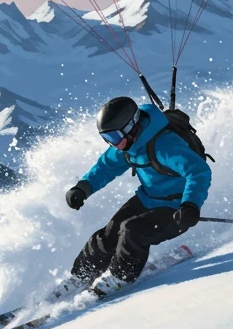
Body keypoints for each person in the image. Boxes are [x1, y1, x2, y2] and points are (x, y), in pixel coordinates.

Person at [63, 96, 212, 297]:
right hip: (148, 198)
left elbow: (198, 171)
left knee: (132, 231)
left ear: (132, 126)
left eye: (114, 137)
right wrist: (83, 188)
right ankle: (82, 274)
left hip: (177, 208)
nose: (113, 144)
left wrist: (191, 205)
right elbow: (105, 168)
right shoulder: (129, 145)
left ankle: (119, 276)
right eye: (107, 139)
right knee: (110, 233)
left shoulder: (165, 146)